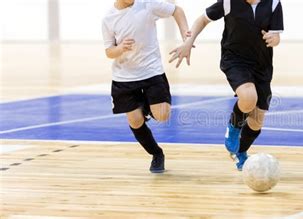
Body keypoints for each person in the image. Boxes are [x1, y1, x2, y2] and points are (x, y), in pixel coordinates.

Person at [169, 0, 284, 170]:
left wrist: (274, 39)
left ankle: (241, 152)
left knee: (257, 121)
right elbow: (202, 20)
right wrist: (188, 42)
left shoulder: (273, 3)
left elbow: (276, 36)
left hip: (262, 65)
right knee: (248, 97)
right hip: (235, 60)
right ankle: (233, 126)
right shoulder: (229, 2)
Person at [102, 0, 190, 173]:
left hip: (151, 72)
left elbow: (177, 11)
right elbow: (108, 52)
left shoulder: (147, 4)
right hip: (124, 77)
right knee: (135, 121)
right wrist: (120, 48)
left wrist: (186, 37)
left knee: (163, 116)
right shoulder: (108, 18)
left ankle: (145, 105)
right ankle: (157, 154)